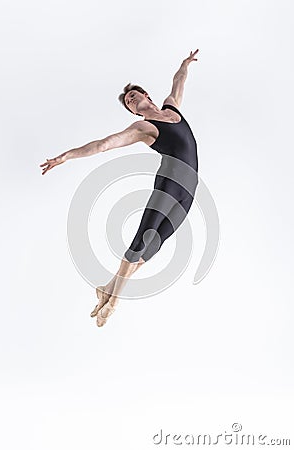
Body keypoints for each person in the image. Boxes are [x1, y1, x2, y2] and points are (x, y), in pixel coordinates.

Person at [40, 49, 199, 327]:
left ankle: (107, 288)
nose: (133, 100)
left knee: (152, 249)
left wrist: (184, 64)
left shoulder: (172, 107)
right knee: (141, 239)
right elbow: (103, 144)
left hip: (190, 187)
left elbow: (179, 82)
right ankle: (113, 301)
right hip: (169, 182)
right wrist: (66, 156)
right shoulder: (143, 127)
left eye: (134, 95)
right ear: (134, 111)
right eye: (129, 102)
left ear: (146, 96)